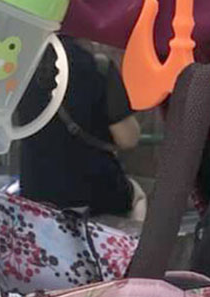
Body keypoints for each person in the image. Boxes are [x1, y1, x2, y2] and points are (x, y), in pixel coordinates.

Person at [17, 36, 145, 218]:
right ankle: (130, 238)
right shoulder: (97, 66)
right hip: (96, 192)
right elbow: (128, 139)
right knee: (138, 197)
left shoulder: (17, 65)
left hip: (36, 190)